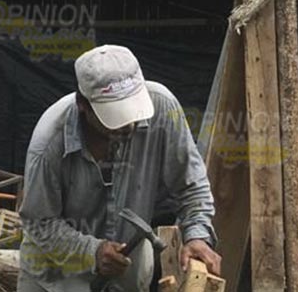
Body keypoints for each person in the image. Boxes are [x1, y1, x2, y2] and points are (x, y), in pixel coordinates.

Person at [18, 45, 221, 291]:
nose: (128, 125)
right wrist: (92, 251)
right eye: (115, 116)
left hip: (127, 265)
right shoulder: (49, 142)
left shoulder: (164, 109)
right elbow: (40, 222)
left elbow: (191, 186)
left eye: (132, 111)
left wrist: (197, 235)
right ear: (83, 104)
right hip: (55, 272)